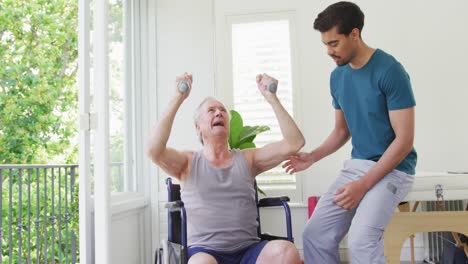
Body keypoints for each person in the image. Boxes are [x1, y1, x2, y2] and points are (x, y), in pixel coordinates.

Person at [283, 2, 417, 263]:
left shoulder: (390, 71)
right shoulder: (338, 77)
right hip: (358, 167)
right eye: (325, 45)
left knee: (360, 240)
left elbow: (404, 141)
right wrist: (313, 156)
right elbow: (341, 130)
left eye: (334, 43)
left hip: (394, 168)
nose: (329, 51)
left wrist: (363, 185)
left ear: (354, 34)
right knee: (315, 233)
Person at [147, 72, 304, 264]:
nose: (218, 113)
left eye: (222, 110)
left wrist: (272, 98)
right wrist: (179, 97)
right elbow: (154, 150)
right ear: (198, 128)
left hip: (249, 250)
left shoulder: (248, 159)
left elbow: (294, 143)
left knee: (286, 252)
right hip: (205, 252)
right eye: (211, 110)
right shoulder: (188, 162)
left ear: (228, 125)